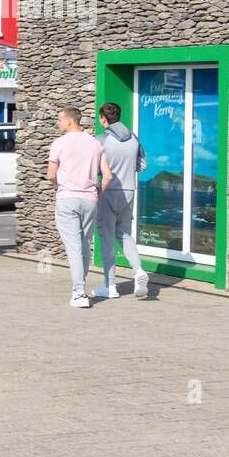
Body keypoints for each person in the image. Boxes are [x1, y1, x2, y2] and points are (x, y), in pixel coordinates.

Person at [48, 107, 112, 309]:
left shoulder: (59, 143)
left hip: (68, 198)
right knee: (84, 244)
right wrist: (97, 193)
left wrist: (59, 186)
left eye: (59, 120)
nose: (57, 123)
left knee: (74, 247)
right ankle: (80, 287)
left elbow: (51, 174)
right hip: (90, 200)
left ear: (69, 122)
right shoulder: (94, 143)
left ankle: (79, 292)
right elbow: (108, 175)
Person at [94, 103, 148, 299]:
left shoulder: (101, 139)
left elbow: (94, 168)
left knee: (107, 238)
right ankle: (139, 271)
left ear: (103, 119)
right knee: (124, 234)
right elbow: (142, 165)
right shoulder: (133, 137)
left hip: (107, 191)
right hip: (129, 190)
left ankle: (109, 286)